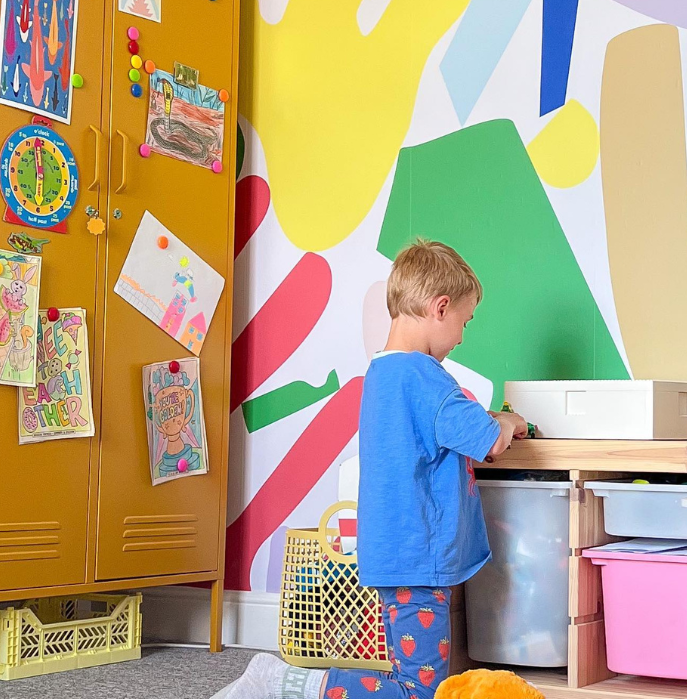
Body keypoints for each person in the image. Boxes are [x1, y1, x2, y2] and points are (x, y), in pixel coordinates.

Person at [220, 240, 527, 699]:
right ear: (439, 308)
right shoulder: (425, 378)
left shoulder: (382, 374)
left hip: (392, 552)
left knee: (417, 674)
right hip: (418, 559)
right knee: (418, 691)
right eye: (464, 322)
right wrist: (509, 419)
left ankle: (292, 682)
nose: (462, 337)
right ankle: (289, 682)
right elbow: (491, 442)